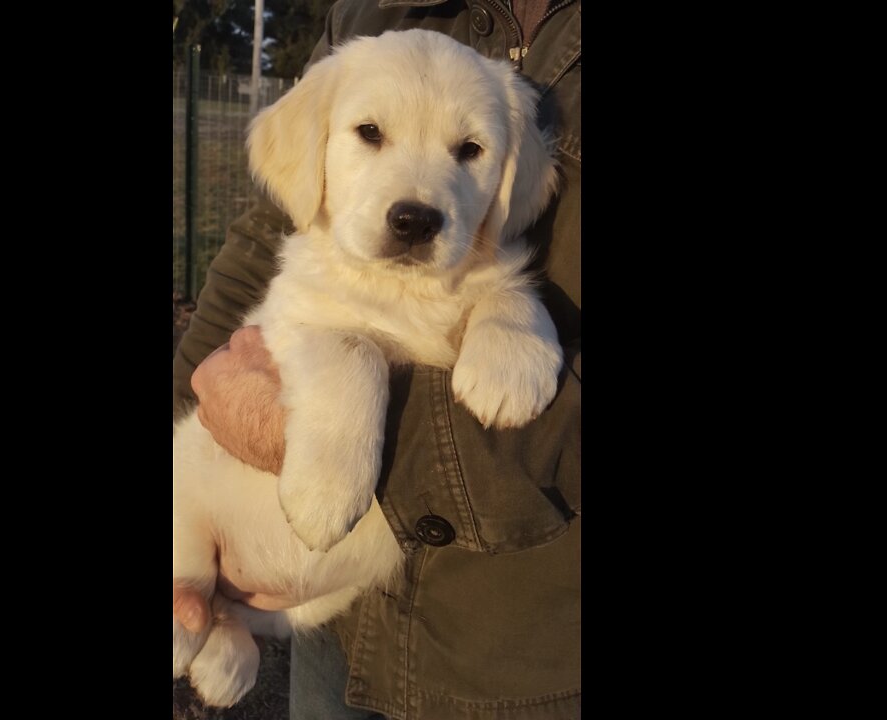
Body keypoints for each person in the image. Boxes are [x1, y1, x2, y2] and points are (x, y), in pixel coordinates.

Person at [173, 1, 581, 717]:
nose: (417, 202)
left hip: (505, 637)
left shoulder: (498, 289)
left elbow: (504, 289)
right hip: (259, 565)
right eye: (371, 134)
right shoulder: (372, 12)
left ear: (510, 187)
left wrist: (511, 315)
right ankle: (216, 621)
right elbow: (276, 311)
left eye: (469, 150)